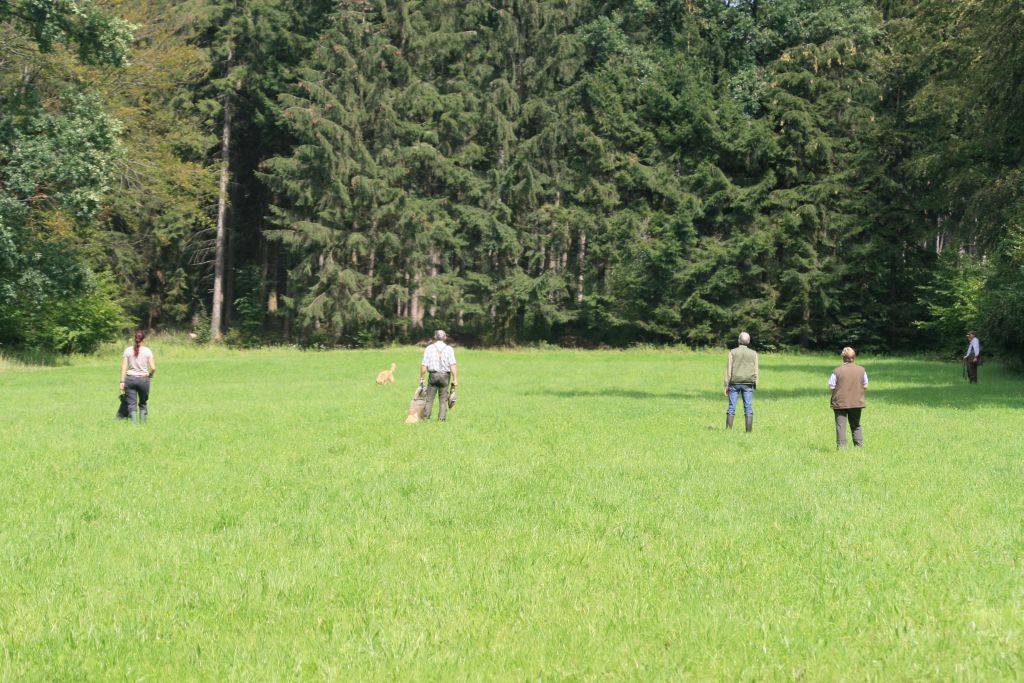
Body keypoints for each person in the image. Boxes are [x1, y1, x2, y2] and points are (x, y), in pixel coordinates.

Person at [829, 346, 868, 448]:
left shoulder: (836, 371)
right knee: (856, 425)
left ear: (843, 357)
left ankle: (842, 447)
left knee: (840, 426)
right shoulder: (862, 370)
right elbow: (865, 385)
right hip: (856, 402)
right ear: (854, 357)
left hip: (840, 403)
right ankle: (859, 446)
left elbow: (831, 386)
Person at [723, 331, 758, 432]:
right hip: (748, 383)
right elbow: (756, 370)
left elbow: (729, 370)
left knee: (731, 407)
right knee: (748, 407)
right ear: (748, 341)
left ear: (739, 340)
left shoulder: (732, 352)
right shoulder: (754, 353)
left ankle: (728, 431)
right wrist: (755, 382)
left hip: (734, 383)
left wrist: (726, 385)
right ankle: (748, 432)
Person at [419, 329, 458, 421]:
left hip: (433, 375)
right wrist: (455, 378)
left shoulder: (429, 348)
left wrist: (422, 378)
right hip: (445, 376)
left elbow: (424, 365)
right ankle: (441, 419)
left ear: (435, 337)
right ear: (445, 337)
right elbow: (452, 365)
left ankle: (426, 418)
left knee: (429, 398)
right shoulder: (449, 349)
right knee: (443, 399)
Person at [119, 330, 156, 423]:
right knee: (143, 403)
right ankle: (143, 423)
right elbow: (153, 368)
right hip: (144, 380)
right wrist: (150, 375)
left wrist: (122, 381)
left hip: (130, 380)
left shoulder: (128, 350)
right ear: (144, 339)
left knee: (132, 404)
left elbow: (124, 367)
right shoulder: (148, 351)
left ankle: (134, 424)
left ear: (134, 338)